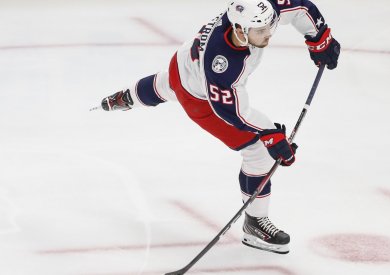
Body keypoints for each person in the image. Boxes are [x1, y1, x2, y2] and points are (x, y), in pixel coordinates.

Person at [98, 0, 340, 254]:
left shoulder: (260, 14)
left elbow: (300, 7)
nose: (269, 34)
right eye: (261, 31)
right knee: (259, 153)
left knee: (166, 85)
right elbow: (234, 112)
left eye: (270, 27)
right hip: (201, 100)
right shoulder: (222, 63)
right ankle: (255, 224)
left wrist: (319, 38)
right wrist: (270, 135)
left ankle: (126, 97)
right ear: (239, 29)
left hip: (182, 64)